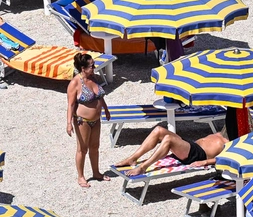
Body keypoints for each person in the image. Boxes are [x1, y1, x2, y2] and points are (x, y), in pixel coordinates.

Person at [113, 123, 227, 175]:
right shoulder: (222, 133)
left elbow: (228, 159)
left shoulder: (232, 142)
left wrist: (205, 162)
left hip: (196, 155)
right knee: (158, 130)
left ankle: (143, 167)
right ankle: (132, 158)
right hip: (191, 145)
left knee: (168, 139)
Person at [66, 53, 105, 187]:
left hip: (96, 119)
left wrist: (106, 108)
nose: (94, 67)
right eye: (91, 66)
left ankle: (96, 172)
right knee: (82, 149)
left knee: (95, 147)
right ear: (83, 68)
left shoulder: (93, 78)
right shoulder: (75, 83)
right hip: (83, 121)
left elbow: (100, 95)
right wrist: (69, 123)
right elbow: (71, 104)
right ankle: (81, 176)